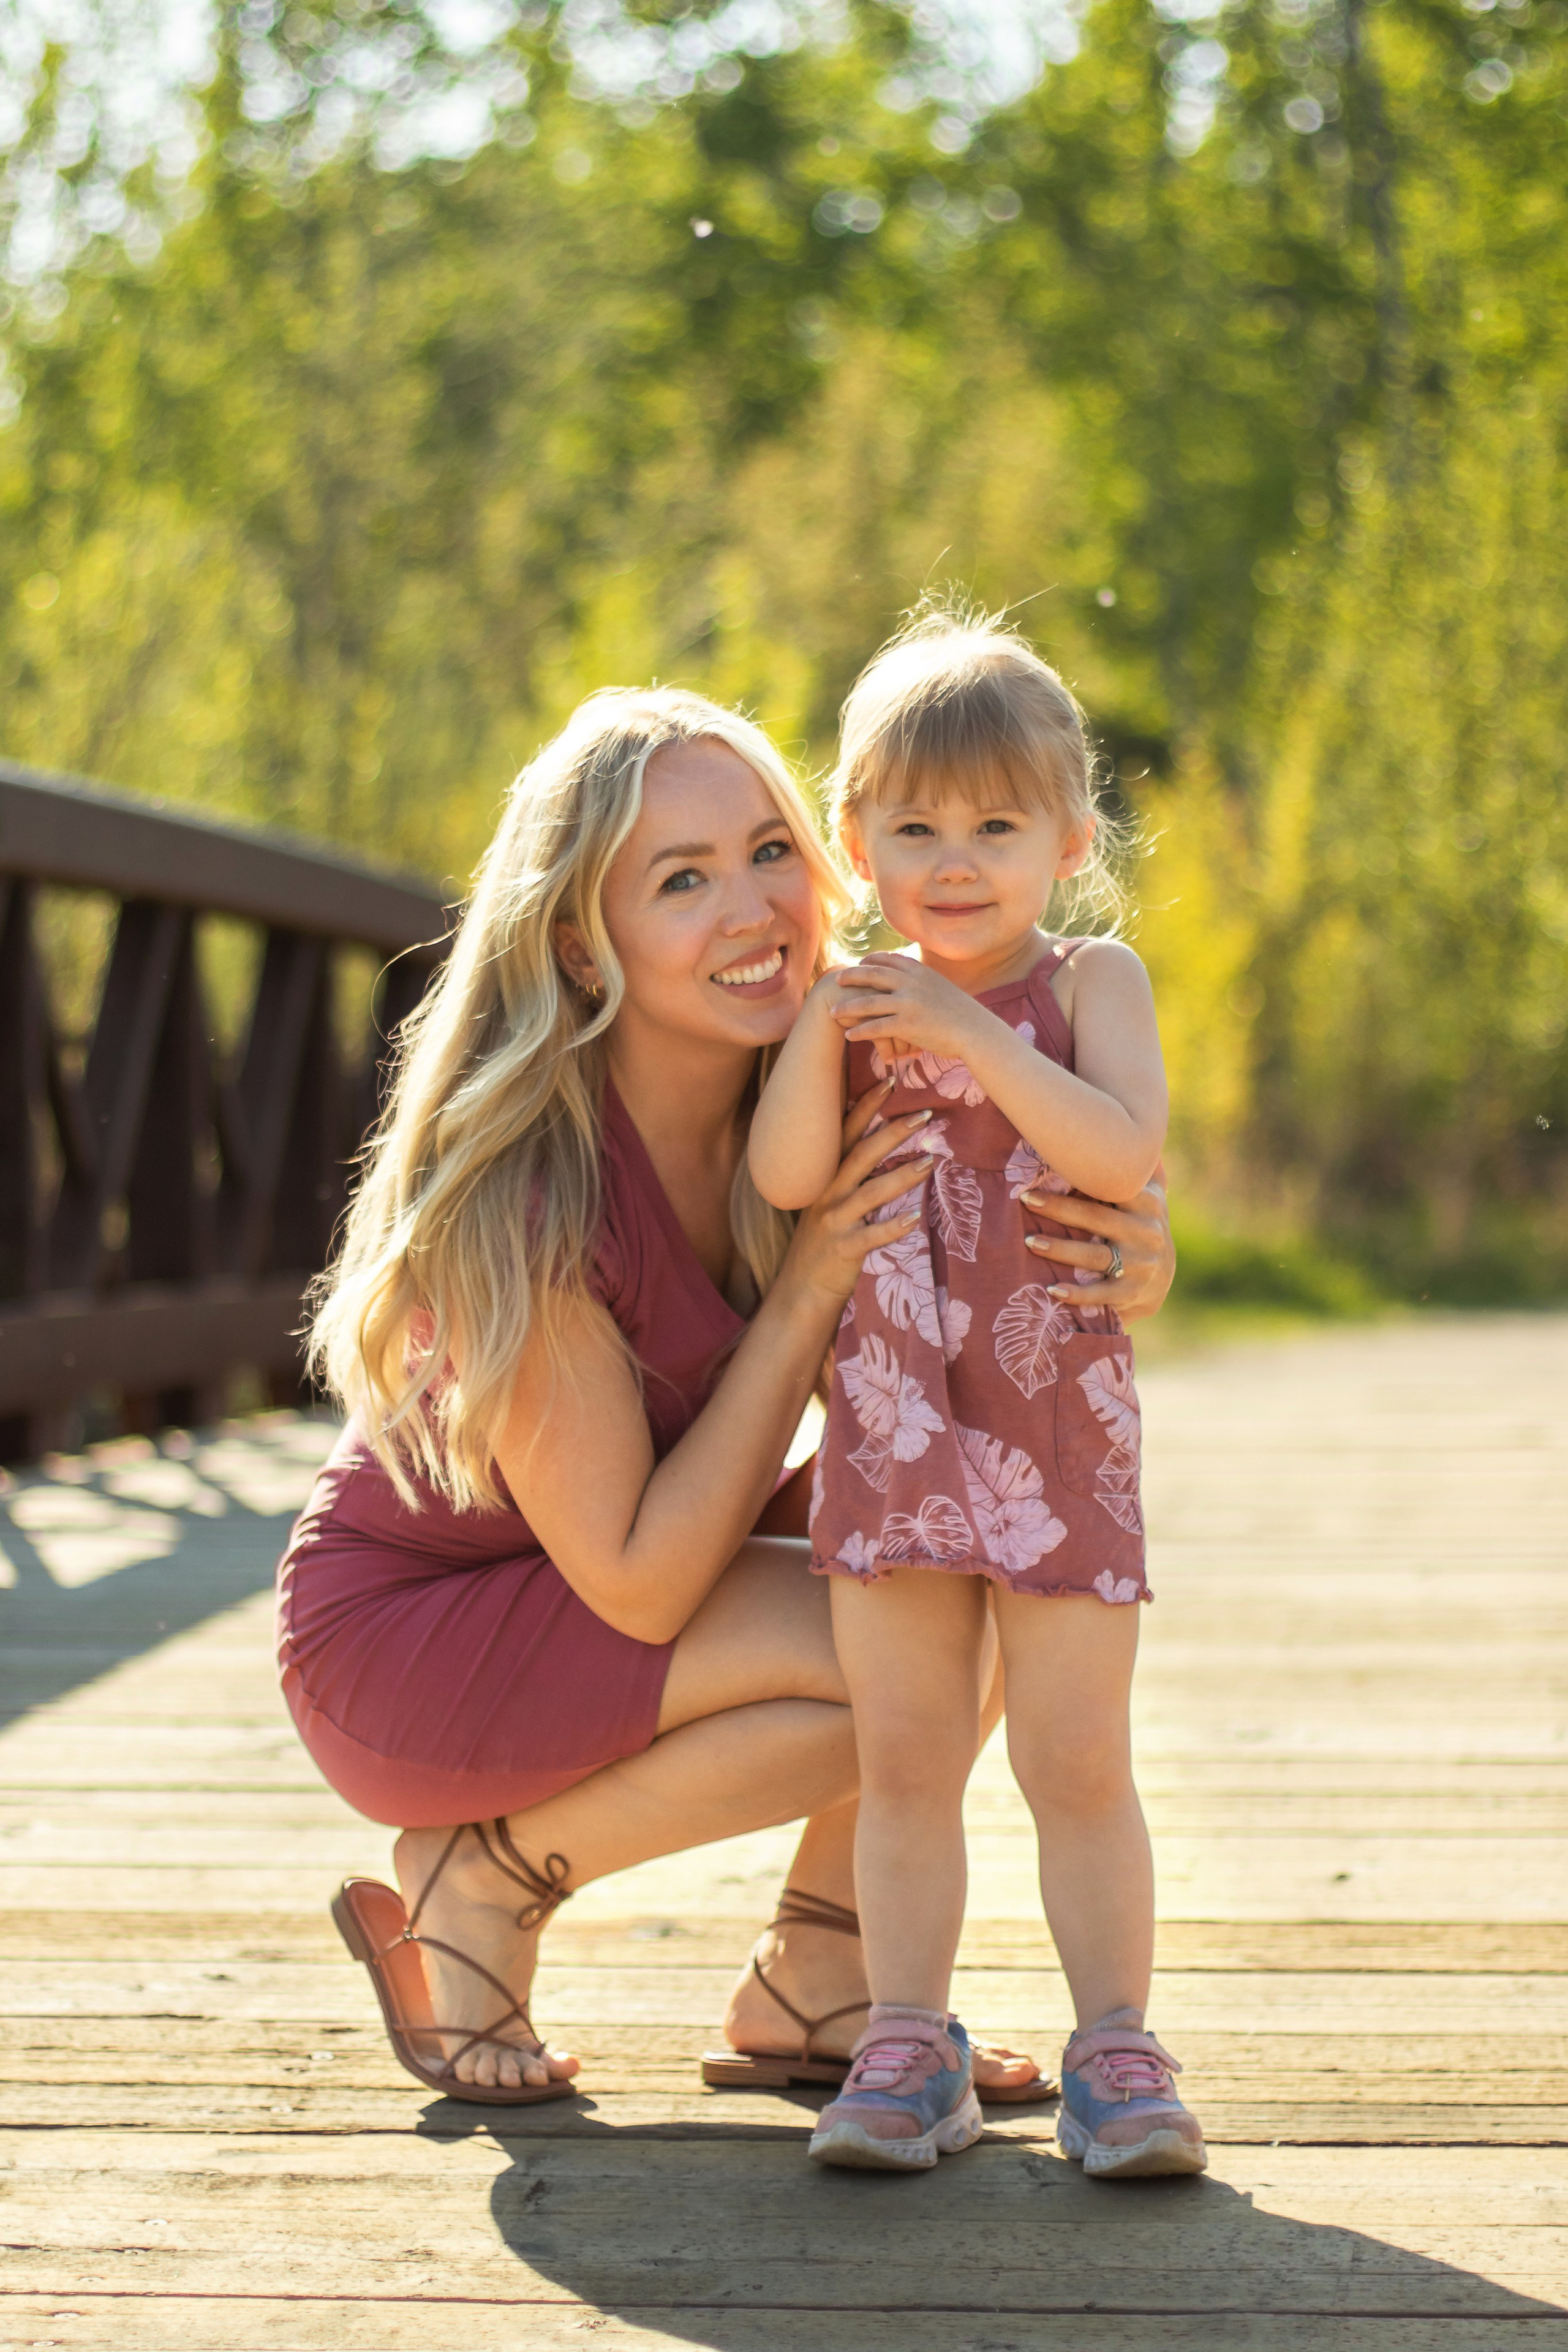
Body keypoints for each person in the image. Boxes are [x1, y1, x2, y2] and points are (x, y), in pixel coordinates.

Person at [277, 680, 1177, 2108]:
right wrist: (815, 1278)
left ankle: (822, 1981)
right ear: (582, 946)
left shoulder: (825, 1079)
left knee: (978, 1543)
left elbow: (974, 1323)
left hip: (613, 1580)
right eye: (681, 881)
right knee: (903, 1666)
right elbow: (638, 1583)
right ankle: (486, 1879)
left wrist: (1126, 1241)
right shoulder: (535, 1195)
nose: (751, 907)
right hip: (421, 1638)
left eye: (767, 852)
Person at [748, 612, 1206, 2178]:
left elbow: (1115, 1150)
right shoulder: (852, 1000)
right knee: (907, 1752)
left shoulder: (1093, 981)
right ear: (857, 840)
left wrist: (960, 1030)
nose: (954, 861)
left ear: (1069, 837)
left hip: (1054, 1425)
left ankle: (1115, 2048)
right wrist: (829, 1031)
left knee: (1072, 1755)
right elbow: (788, 1177)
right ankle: (903, 2041)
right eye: (915, 827)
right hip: (887, 1420)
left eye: (995, 826)